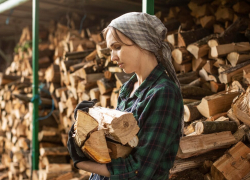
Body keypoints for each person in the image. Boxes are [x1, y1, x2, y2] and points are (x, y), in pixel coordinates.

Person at [67, 12, 183, 180]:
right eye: (111, 50)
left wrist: (80, 163)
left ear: (142, 42)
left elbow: (139, 171)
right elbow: (117, 152)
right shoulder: (127, 90)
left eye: (117, 47)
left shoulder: (164, 93)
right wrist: (85, 130)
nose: (113, 57)